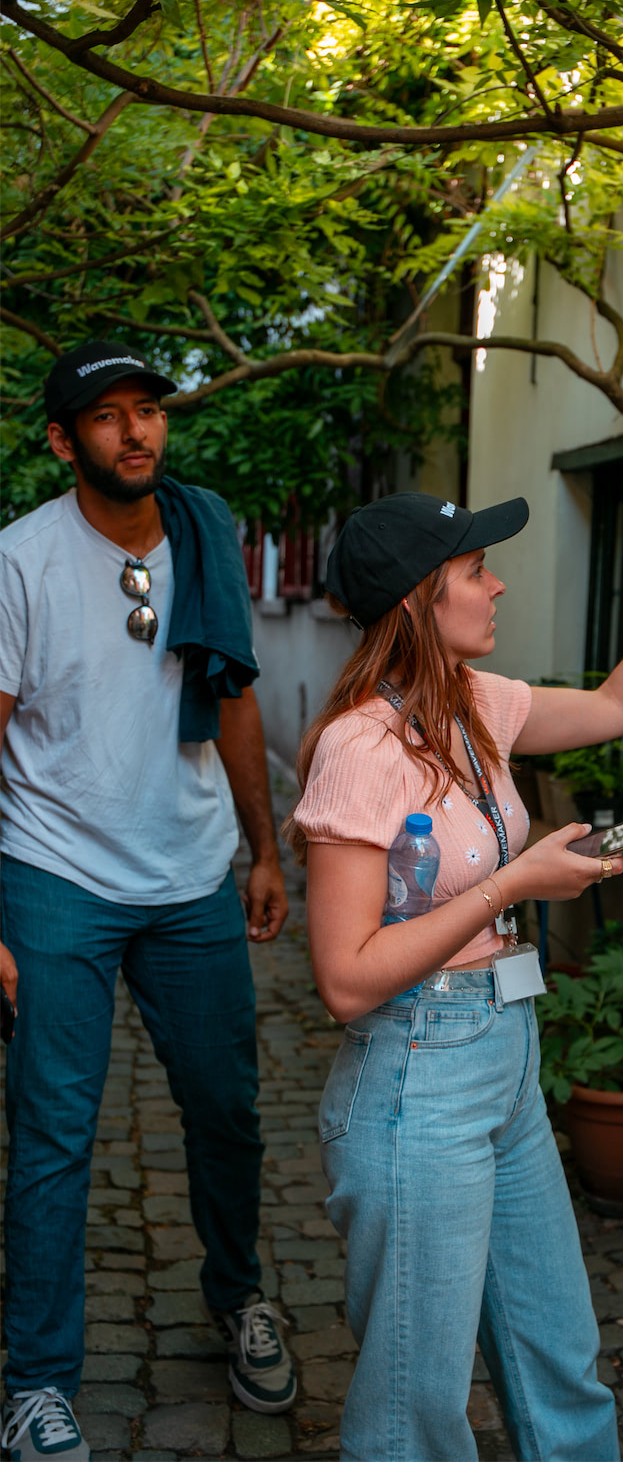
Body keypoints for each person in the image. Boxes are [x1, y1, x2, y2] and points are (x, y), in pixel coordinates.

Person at [284, 474, 623, 1462]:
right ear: (423, 600)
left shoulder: (474, 704)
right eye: (475, 571)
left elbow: (616, 704)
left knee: (558, 1353)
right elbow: (344, 978)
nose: (498, 586)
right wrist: (512, 884)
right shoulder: (357, 750)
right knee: (415, 1412)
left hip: (503, 1056)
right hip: (416, 1077)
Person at [0, 342, 296, 1462]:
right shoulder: (21, 564)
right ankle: (37, 1383)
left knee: (226, 1111)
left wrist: (264, 851)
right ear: (62, 440)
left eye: (150, 412)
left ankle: (240, 1296)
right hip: (53, 876)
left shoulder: (203, 539)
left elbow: (230, 702)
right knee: (52, 1135)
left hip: (189, 875)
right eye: (110, 418)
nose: (139, 434)